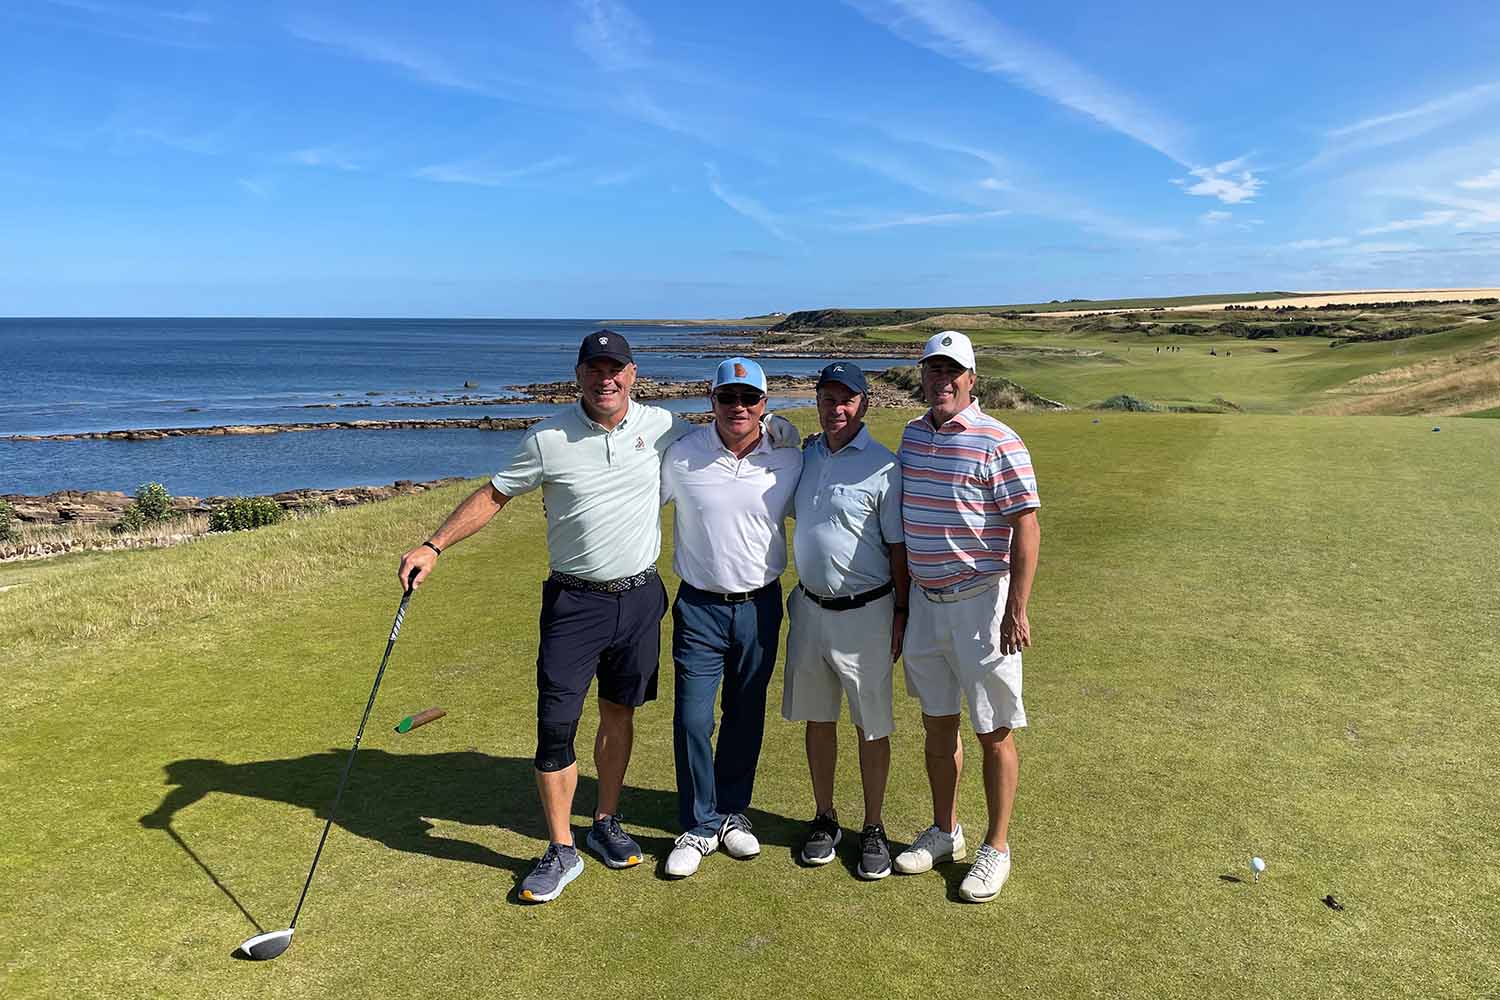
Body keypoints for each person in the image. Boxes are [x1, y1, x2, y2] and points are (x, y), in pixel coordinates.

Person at [396, 331, 796, 903]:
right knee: (557, 724)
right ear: (579, 374)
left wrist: (781, 429)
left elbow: (732, 431)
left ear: (632, 375)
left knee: (619, 714)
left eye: (616, 369)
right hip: (574, 601)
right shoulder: (547, 438)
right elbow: (494, 494)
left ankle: (605, 820)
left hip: (639, 599)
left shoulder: (662, 428)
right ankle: (561, 849)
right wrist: (433, 546)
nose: (605, 379)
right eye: (595, 369)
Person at [893, 330, 1041, 904]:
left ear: (972, 379)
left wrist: (1017, 608)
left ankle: (996, 846)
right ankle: (944, 830)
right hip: (928, 603)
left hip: (983, 602)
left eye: (953, 371)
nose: (942, 381)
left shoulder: (999, 440)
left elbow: (1026, 524)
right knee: (937, 725)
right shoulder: (911, 435)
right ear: (923, 378)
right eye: (933, 371)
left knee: (993, 731)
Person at [658, 356, 803, 878]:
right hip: (699, 606)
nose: (737, 407)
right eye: (728, 398)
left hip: (761, 606)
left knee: (746, 713)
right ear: (710, 400)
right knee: (694, 718)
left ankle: (732, 813)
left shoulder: (789, 456)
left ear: (765, 405)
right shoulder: (682, 455)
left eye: (749, 398)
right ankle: (698, 824)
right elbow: (634, 496)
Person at [783, 362, 908, 880]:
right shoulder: (806, 454)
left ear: (864, 404)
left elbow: (898, 550)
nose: (836, 408)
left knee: (870, 723)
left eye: (846, 400)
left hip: (867, 613)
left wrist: (902, 612)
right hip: (810, 609)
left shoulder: (884, 467)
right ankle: (825, 817)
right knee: (818, 718)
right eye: (828, 398)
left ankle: (873, 826)